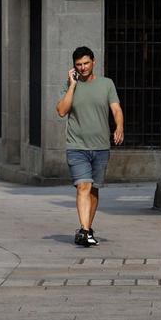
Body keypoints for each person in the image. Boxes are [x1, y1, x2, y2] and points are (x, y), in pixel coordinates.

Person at [55, 46, 123, 247]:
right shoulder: (69, 85)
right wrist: (72, 86)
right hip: (77, 146)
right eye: (78, 65)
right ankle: (85, 231)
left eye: (86, 63)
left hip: (101, 147)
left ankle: (87, 228)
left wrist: (119, 126)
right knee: (83, 186)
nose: (83, 67)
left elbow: (116, 109)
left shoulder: (106, 84)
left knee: (93, 191)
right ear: (73, 66)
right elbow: (61, 111)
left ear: (94, 62)